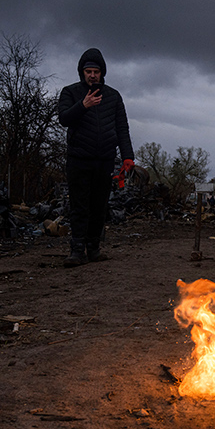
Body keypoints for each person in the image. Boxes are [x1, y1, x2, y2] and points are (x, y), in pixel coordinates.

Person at [58, 48, 135, 267]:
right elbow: (63, 118)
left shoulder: (113, 96)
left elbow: (122, 127)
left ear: (102, 73)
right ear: (82, 72)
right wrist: (83, 105)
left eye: (96, 71)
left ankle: (93, 249)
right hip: (79, 159)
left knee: (99, 206)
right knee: (79, 205)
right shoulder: (71, 92)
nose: (92, 75)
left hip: (105, 159)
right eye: (88, 71)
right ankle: (76, 250)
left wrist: (128, 156)